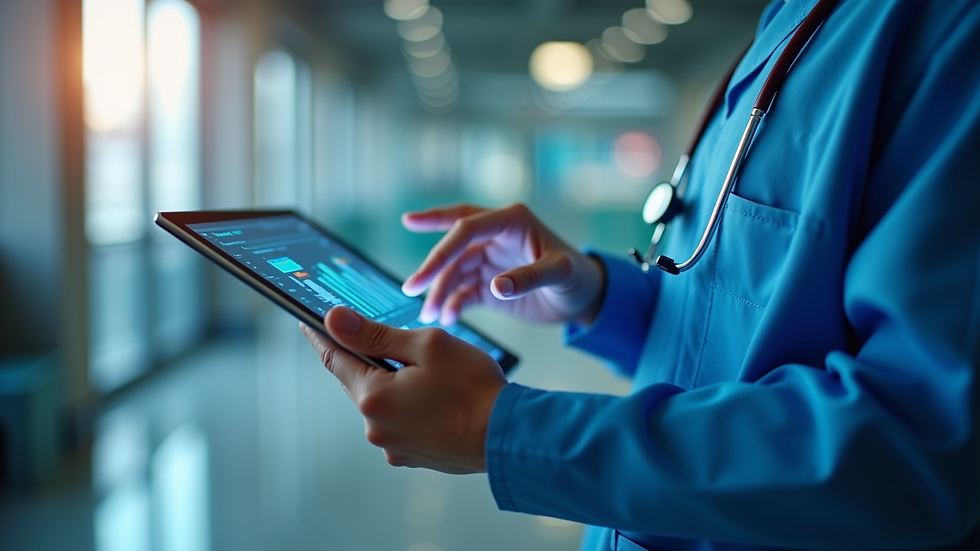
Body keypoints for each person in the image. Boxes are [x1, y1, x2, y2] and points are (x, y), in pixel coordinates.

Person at [300, 0, 980, 548]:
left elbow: (916, 450)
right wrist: (592, 293)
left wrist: (499, 425)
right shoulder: (788, 22)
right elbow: (735, 321)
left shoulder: (948, 31)